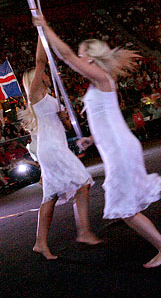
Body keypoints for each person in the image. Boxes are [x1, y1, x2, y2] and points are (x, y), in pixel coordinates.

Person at [35, 13, 161, 268]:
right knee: (129, 199)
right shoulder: (99, 82)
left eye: (82, 54)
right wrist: (91, 139)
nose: (79, 57)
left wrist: (46, 28)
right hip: (118, 146)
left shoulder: (101, 78)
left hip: (120, 150)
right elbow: (109, 121)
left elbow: (66, 57)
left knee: (125, 210)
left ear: (90, 57)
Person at [19, 34, 101, 259]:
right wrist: (40, 33)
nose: (44, 74)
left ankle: (40, 243)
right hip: (52, 149)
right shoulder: (35, 96)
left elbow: (64, 126)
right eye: (40, 74)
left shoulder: (50, 96)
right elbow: (40, 62)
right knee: (83, 183)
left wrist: (64, 118)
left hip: (55, 145)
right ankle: (83, 231)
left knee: (51, 196)